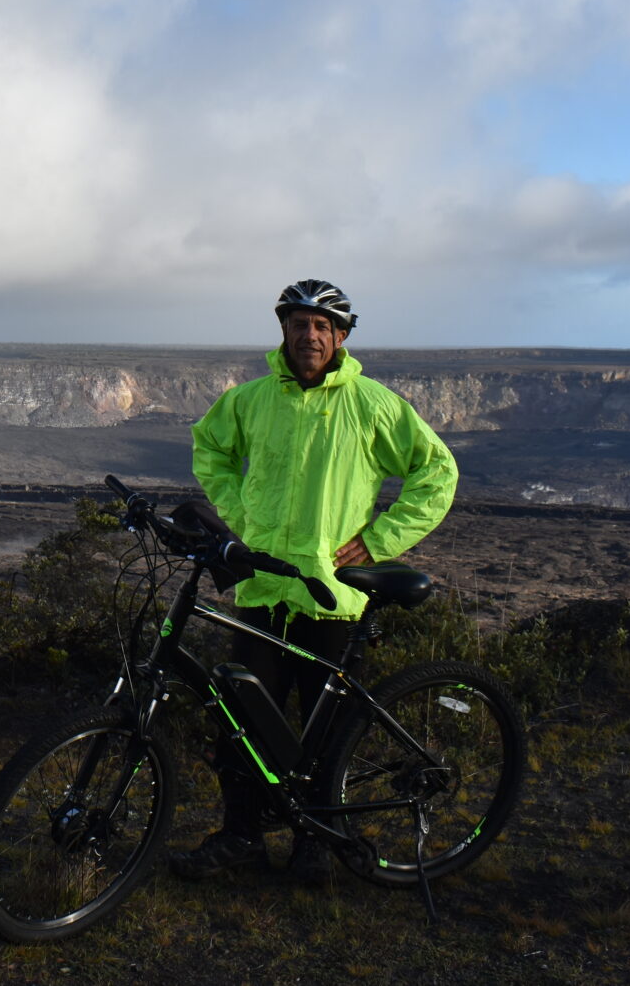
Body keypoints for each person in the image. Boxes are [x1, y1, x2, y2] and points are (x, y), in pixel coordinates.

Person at [167, 278, 458, 882]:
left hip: (331, 598)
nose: (310, 335)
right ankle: (242, 836)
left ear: (341, 338)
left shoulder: (372, 405)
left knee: (326, 733)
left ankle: (316, 842)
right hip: (263, 591)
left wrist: (378, 541)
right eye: (299, 324)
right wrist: (240, 516)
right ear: (284, 331)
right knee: (242, 725)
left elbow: (437, 471)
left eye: (323, 326)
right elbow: (210, 448)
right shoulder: (251, 400)